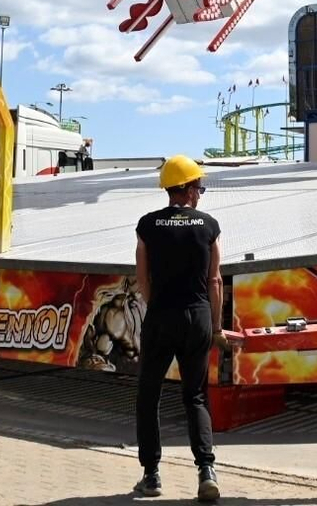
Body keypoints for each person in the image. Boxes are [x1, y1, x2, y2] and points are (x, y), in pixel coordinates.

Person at [132, 155, 226, 501]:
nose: (200, 193)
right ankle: (206, 470)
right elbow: (215, 280)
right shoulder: (209, 226)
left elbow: (142, 275)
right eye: (199, 187)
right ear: (186, 189)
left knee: (148, 394)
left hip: (161, 315)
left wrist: (153, 304)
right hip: (198, 315)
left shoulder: (147, 225)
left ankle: (152, 475)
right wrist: (215, 326)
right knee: (196, 395)